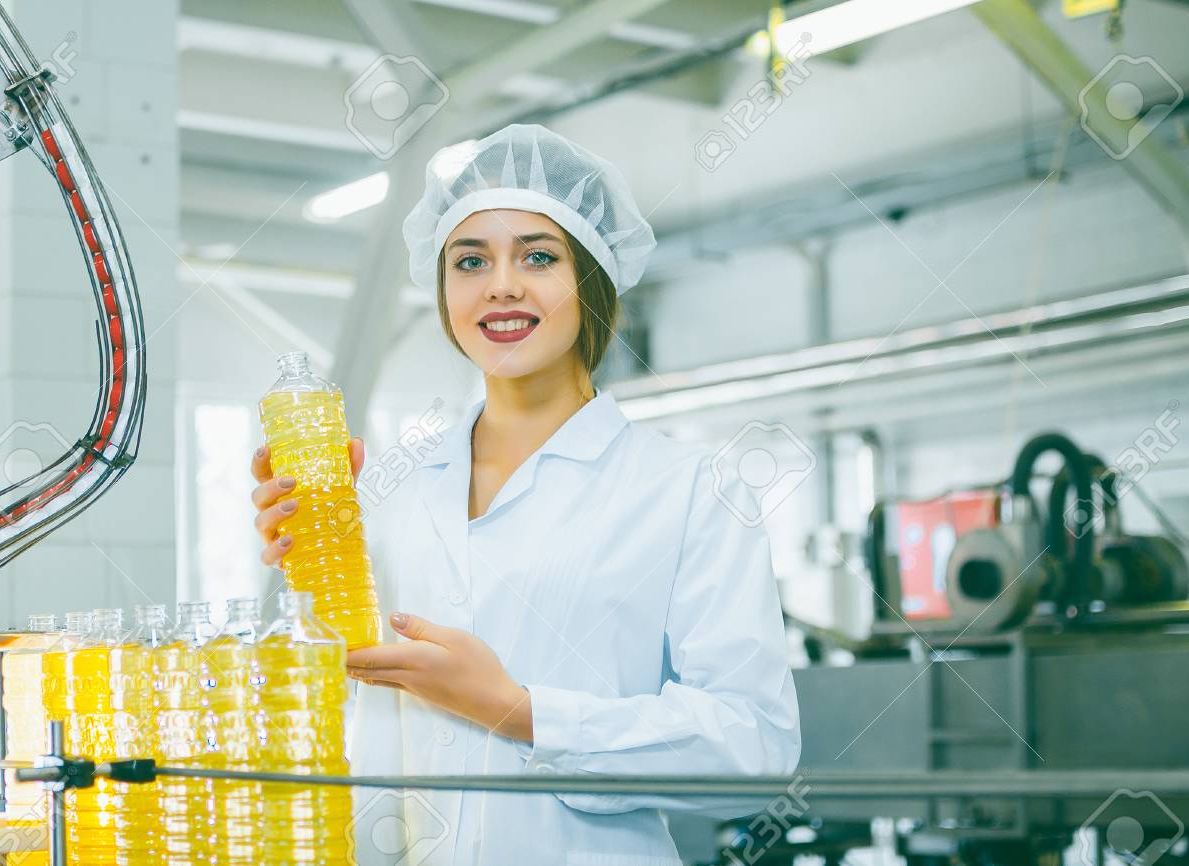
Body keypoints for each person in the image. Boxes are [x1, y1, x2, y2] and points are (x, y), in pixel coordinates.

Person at [250, 123, 800, 865]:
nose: (501, 284)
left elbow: (754, 749)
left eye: (538, 256)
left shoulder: (687, 490)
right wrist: (313, 571)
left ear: (593, 278)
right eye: (470, 260)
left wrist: (519, 712)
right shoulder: (390, 493)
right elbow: (349, 709)